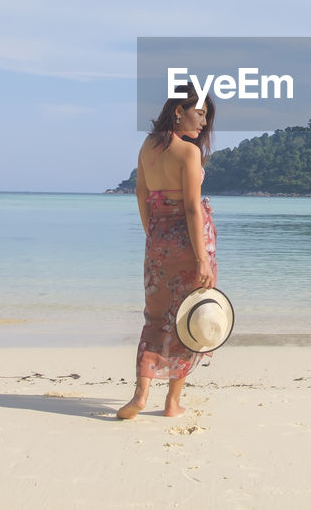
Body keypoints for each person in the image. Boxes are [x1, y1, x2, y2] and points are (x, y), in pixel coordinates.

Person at [117, 83, 217, 419]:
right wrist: (202, 258)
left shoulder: (147, 146)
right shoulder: (188, 153)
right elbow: (191, 209)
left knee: (155, 317)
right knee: (190, 318)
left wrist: (153, 234)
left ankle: (140, 394)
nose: (203, 123)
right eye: (200, 114)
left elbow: (141, 194)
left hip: (158, 238)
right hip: (190, 242)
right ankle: (172, 403)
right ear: (178, 110)